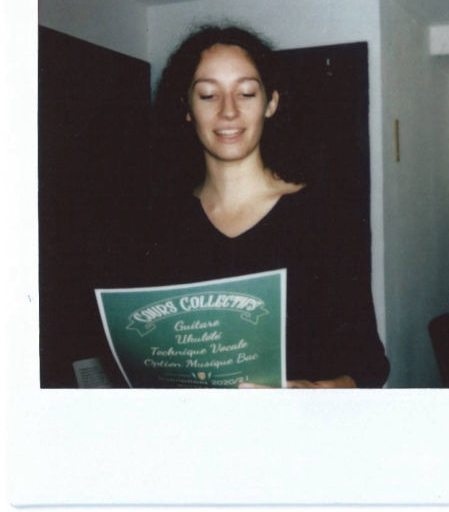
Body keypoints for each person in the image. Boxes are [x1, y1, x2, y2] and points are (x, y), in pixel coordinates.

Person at [147, 25, 389, 388]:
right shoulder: (161, 227)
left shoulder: (324, 218)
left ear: (270, 103)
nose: (229, 111)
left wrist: (318, 390)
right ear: (187, 108)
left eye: (246, 92)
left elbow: (370, 363)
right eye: (208, 95)